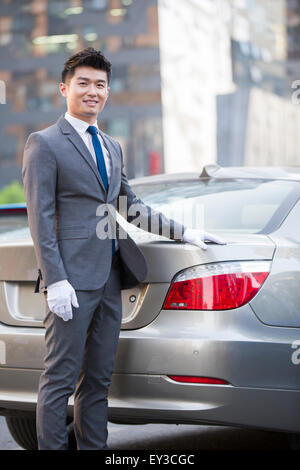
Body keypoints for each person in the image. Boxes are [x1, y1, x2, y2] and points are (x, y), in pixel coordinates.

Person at [22, 47, 226, 450]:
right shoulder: (43, 143)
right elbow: (40, 218)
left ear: (108, 91)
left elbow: (130, 206)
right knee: (59, 378)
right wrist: (57, 280)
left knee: (98, 380)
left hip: (110, 278)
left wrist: (185, 233)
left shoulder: (112, 146)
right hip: (71, 284)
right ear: (64, 88)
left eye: (100, 84)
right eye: (83, 83)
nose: (92, 91)